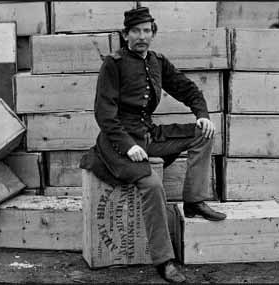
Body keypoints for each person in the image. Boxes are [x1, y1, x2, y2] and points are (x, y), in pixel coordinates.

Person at [80, 6, 226, 283]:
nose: (141, 36)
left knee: (203, 134)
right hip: (117, 142)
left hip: (148, 136)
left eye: (147, 30)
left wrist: (203, 116)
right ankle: (164, 260)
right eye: (135, 31)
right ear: (125, 34)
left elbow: (188, 89)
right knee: (152, 184)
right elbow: (104, 114)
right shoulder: (113, 64)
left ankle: (194, 201)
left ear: (153, 33)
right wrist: (127, 145)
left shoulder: (158, 61)